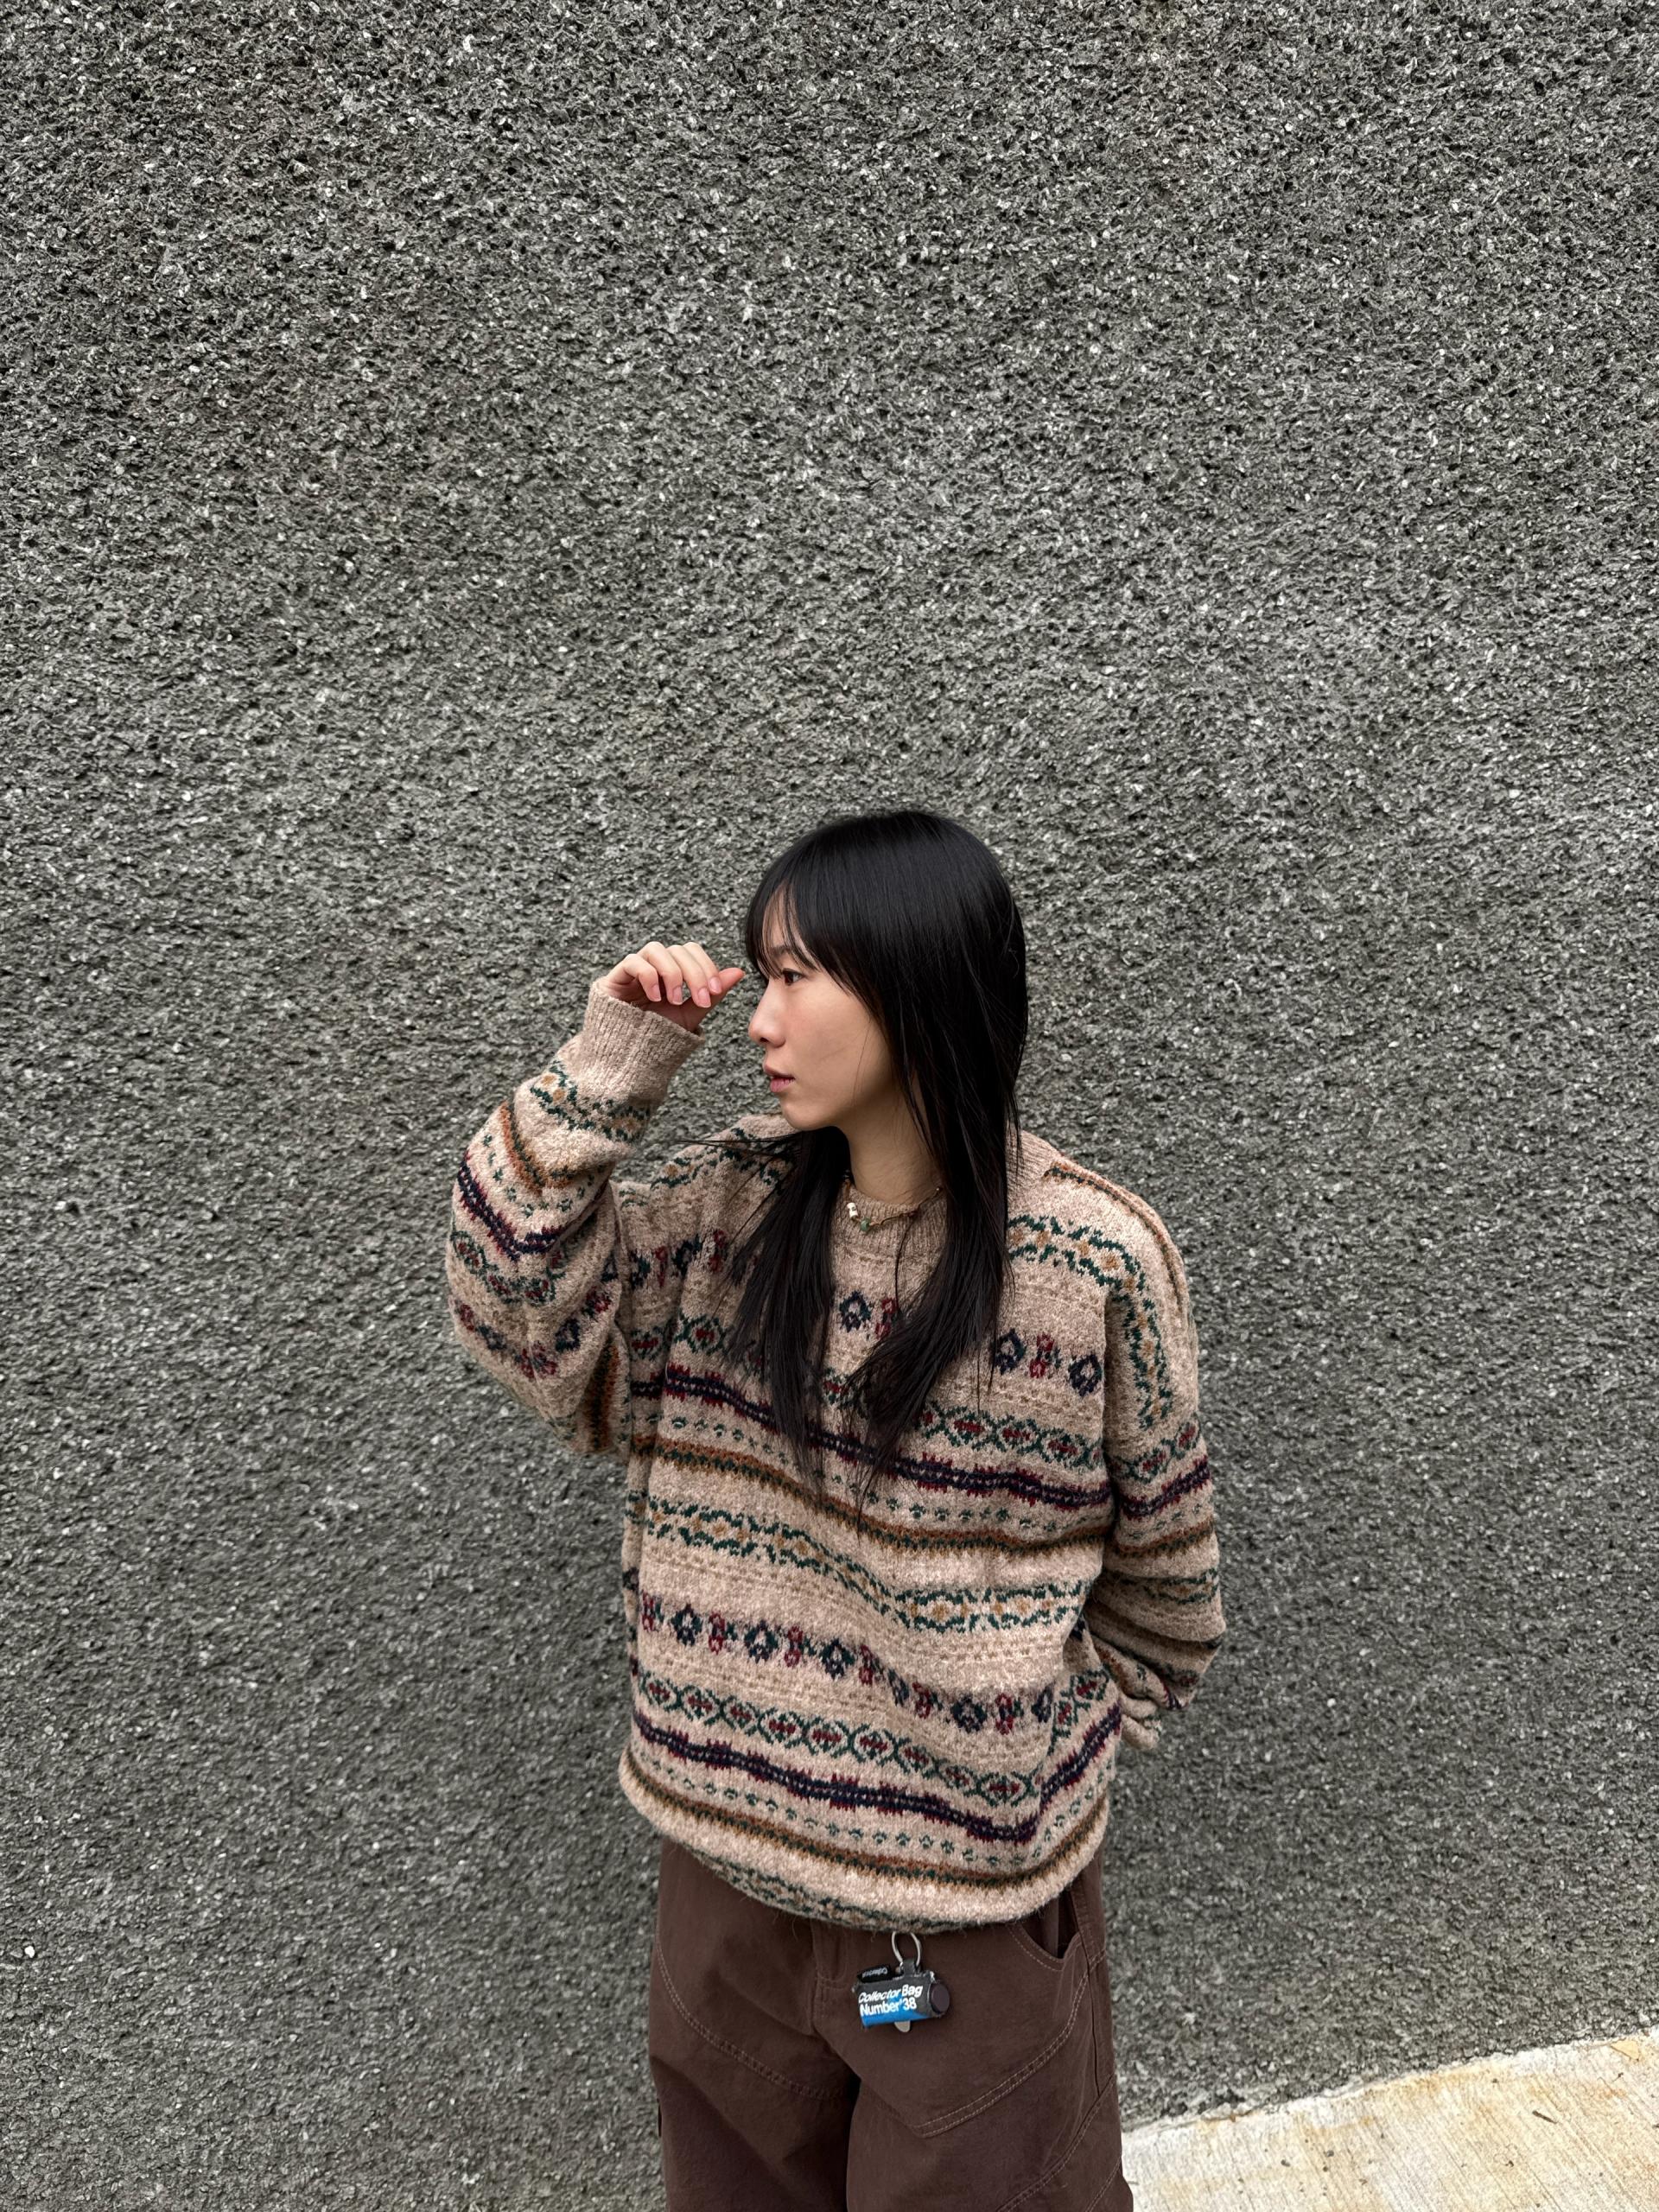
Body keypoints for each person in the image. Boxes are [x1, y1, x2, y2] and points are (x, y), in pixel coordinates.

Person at [443, 807, 1226, 2211]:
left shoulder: (1093, 1261)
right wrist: (607, 1069)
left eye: (801, 976)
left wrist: (1032, 1750)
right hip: (724, 1890)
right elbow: (518, 1315)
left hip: (967, 1926)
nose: (762, 1017)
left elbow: (1168, 1581)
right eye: (763, 974)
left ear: (919, 980)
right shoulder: (724, 1216)